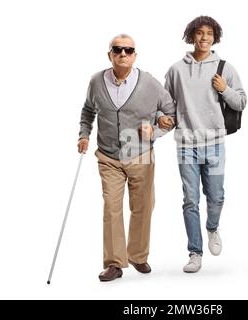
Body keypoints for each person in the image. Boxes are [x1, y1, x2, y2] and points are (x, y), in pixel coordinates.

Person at [78, 34, 175, 281]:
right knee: (111, 207)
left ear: (135, 55)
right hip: (108, 156)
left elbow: (171, 113)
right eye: (117, 49)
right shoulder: (97, 82)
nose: (123, 54)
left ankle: (138, 256)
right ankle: (114, 263)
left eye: (128, 50)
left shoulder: (150, 83)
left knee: (143, 206)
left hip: (140, 154)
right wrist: (84, 135)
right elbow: (88, 111)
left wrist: (156, 129)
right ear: (109, 54)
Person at [159, 16, 247, 273]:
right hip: (186, 145)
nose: (204, 38)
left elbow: (240, 102)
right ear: (191, 36)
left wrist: (225, 89)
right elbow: (167, 106)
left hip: (216, 144)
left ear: (215, 37)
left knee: (217, 197)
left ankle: (212, 228)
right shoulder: (176, 70)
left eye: (209, 33)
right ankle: (195, 252)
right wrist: (162, 120)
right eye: (199, 33)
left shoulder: (225, 68)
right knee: (190, 200)